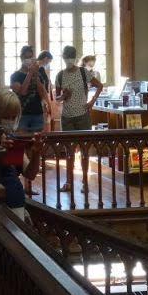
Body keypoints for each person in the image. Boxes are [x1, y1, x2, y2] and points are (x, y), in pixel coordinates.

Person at [55, 45, 102, 192]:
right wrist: (64, 96)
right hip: (67, 117)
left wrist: (92, 102)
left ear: (74, 58)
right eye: (66, 57)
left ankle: (85, 182)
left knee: (84, 150)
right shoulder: (60, 75)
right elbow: (57, 98)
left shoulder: (83, 72)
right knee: (69, 151)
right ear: (63, 58)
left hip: (83, 116)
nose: (68, 60)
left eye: (70, 57)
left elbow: (99, 86)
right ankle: (68, 182)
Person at [0, 89, 29, 221]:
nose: (10, 121)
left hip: (15, 201)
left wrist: (37, 153)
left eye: (13, 117)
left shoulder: (11, 139)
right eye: (6, 117)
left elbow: (29, 173)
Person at [10, 46, 48, 194]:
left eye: (31, 57)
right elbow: (22, 91)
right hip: (22, 115)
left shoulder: (37, 73)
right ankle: (20, 183)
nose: (29, 59)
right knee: (21, 149)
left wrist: (35, 76)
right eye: (26, 56)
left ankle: (29, 186)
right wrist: (29, 74)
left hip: (37, 114)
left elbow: (42, 91)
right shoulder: (15, 76)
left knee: (34, 149)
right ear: (21, 58)